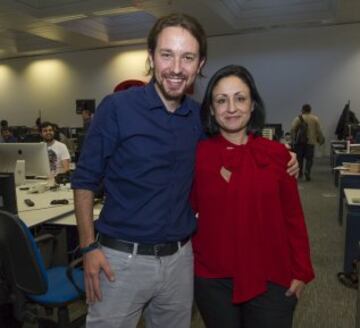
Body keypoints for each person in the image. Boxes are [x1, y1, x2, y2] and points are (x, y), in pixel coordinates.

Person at [71, 13, 299, 328]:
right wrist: (87, 247)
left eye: (187, 57)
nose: (177, 68)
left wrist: (283, 155)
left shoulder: (200, 118)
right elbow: (84, 181)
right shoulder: (116, 108)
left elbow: (237, 141)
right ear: (151, 57)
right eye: (167, 55)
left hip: (181, 262)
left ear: (200, 63)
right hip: (120, 261)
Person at [191, 65, 315, 328]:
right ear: (212, 109)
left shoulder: (277, 155)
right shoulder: (197, 155)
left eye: (240, 98)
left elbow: (293, 218)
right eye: (221, 100)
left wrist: (301, 271)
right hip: (214, 281)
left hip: (271, 276)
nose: (231, 108)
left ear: (252, 104)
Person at [291, 104, 324, 181]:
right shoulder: (315, 119)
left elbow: (292, 129)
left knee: (299, 158)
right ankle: (307, 171)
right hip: (311, 142)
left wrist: (293, 140)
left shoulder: (298, 118)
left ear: (303, 110)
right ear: (310, 110)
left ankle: (299, 173)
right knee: (309, 159)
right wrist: (321, 139)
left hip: (299, 142)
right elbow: (318, 131)